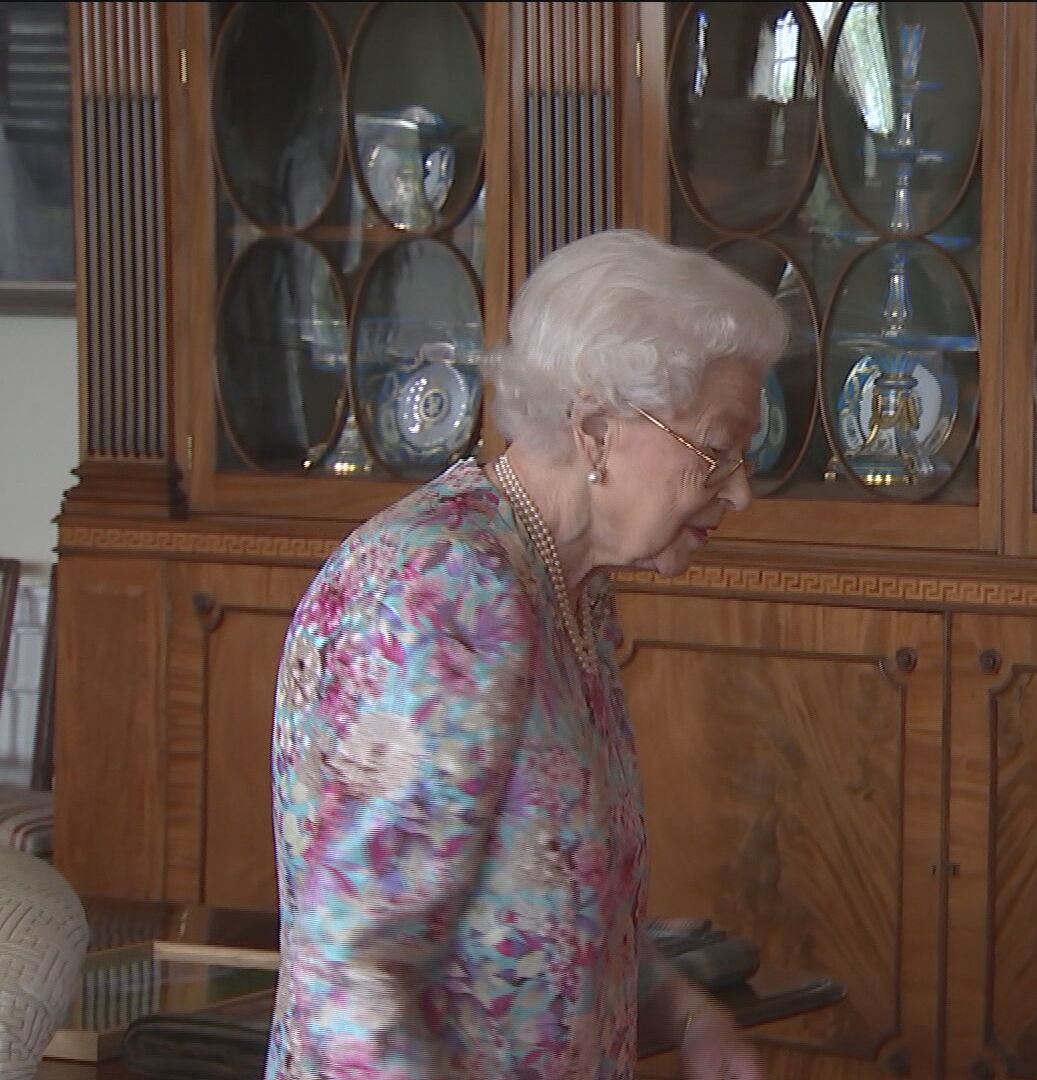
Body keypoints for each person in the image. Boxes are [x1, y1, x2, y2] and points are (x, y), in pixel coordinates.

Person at [267, 229, 784, 1080]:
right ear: (595, 430)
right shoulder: (446, 593)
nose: (740, 490)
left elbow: (537, 912)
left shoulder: (564, 587)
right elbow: (348, 973)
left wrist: (684, 1012)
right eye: (716, 449)